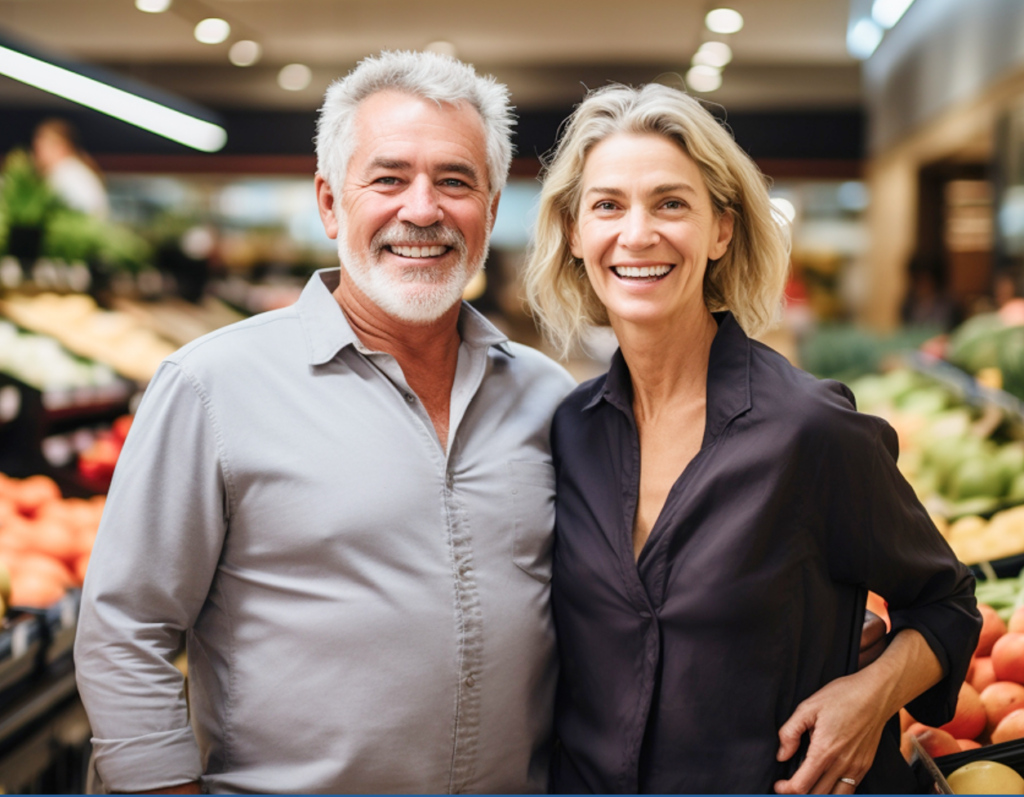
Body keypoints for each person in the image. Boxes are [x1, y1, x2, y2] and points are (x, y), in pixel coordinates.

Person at [73, 51, 576, 794]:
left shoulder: (548, 396)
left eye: (455, 181)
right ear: (331, 202)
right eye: (389, 178)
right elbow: (126, 627)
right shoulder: (212, 387)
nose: (423, 210)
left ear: (492, 209)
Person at [523, 83, 981, 794]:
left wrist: (869, 696)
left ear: (722, 230)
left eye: (671, 203)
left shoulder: (810, 429)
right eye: (607, 205)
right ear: (575, 234)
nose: (637, 233)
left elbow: (946, 604)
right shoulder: (568, 431)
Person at [31, 118, 109, 219]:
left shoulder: (65, 174)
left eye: (40, 148)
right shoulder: (76, 170)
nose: (36, 156)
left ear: (61, 146)